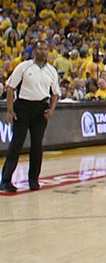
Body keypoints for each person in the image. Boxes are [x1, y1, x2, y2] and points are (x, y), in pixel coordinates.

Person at [2, 39, 61, 192]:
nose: (43, 51)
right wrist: (10, 110)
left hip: (40, 108)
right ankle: (6, 180)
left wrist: (52, 109)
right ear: (34, 51)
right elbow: (10, 88)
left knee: (37, 145)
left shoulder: (52, 71)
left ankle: (33, 180)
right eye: (40, 49)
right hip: (22, 107)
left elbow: (55, 93)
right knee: (17, 143)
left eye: (45, 49)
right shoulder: (24, 66)